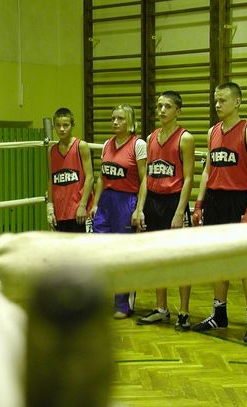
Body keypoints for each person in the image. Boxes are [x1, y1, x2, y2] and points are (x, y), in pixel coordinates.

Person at [191, 82, 247, 342]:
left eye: (223, 100)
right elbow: (207, 171)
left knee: (245, 262)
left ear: (237, 102)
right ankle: (218, 313)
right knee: (217, 259)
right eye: (215, 100)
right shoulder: (212, 131)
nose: (218, 105)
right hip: (215, 199)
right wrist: (199, 204)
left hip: (238, 199)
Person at [133, 91, 195, 331]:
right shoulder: (151, 138)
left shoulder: (185, 138)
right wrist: (140, 208)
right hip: (153, 201)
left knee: (181, 259)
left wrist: (180, 211)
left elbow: (189, 178)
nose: (162, 110)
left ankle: (184, 311)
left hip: (173, 201)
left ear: (178, 111)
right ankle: (161, 308)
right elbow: (147, 176)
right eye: (159, 106)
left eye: (167, 106)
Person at [90, 104, 147, 319]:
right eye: (113, 118)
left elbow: (144, 180)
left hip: (127, 201)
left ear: (130, 122)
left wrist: (139, 209)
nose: (115, 122)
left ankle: (123, 303)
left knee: (123, 254)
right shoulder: (107, 144)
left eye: (120, 119)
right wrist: (95, 204)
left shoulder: (138, 145)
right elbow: (101, 177)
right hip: (106, 202)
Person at [46, 108, 94, 232]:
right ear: (54, 126)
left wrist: (82, 206)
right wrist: (50, 207)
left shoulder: (81, 146)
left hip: (79, 210)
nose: (62, 129)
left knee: (81, 249)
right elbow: (51, 179)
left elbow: (90, 177)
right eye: (58, 125)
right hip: (60, 211)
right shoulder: (51, 150)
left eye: (65, 125)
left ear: (72, 125)